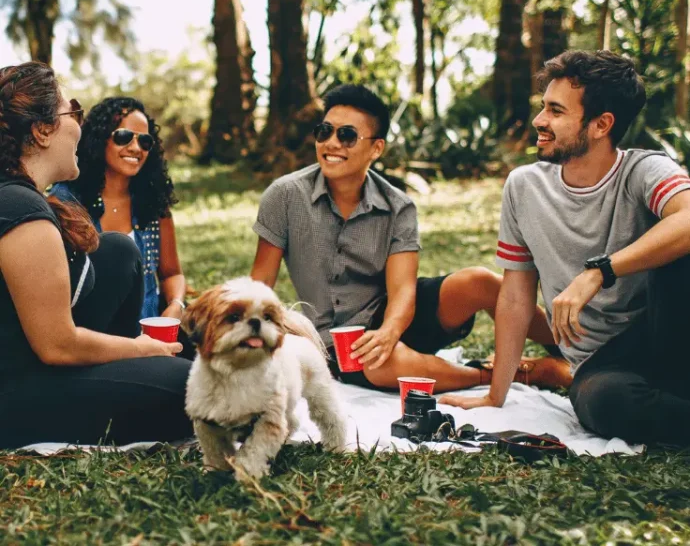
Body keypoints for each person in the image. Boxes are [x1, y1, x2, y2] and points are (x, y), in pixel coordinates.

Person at [250, 84, 570, 393]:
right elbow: (260, 283)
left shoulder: (397, 206)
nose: (331, 143)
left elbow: (403, 289)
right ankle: (513, 373)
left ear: (376, 148)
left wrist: (389, 331)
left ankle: (576, 352)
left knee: (480, 281)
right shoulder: (285, 196)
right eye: (324, 132)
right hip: (336, 341)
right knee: (381, 363)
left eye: (346, 135)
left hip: (392, 315)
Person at [443, 50, 690, 446]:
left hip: (668, 334)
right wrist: (496, 394)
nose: (540, 121)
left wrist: (600, 271)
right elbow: (515, 299)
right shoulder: (524, 187)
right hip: (603, 364)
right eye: (543, 108)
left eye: (556, 111)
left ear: (601, 124)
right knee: (603, 403)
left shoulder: (645, 170)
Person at [0, 63, 193, 448]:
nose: (80, 126)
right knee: (194, 387)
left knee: (119, 250)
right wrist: (141, 349)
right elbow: (57, 345)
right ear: (41, 131)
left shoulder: (22, 197)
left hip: (32, 360)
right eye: (73, 113)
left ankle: (132, 374)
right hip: (16, 392)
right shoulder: (19, 207)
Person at [51, 97, 188, 326]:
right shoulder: (65, 201)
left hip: (148, 336)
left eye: (145, 141)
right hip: (90, 337)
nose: (135, 148)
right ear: (100, 139)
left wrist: (176, 305)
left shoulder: (152, 204)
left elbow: (171, 273)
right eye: (124, 136)